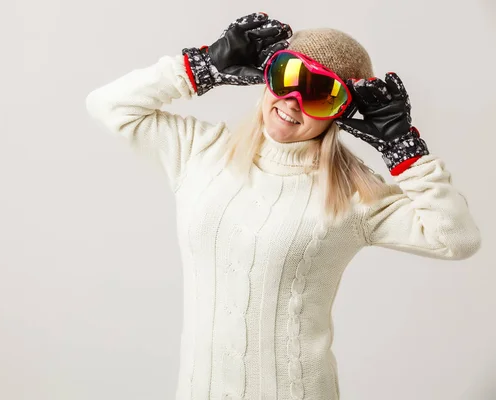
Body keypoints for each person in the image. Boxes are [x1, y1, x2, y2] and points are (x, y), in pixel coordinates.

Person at [85, 12, 481, 400]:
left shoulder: (354, 193)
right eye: (287, 77)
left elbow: (458, 239)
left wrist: (404, 150)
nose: (293, 102)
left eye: (319, 94)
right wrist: (203, 67)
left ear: (341, 111)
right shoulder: (200, 152)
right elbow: (107, 105)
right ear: (265, 76)